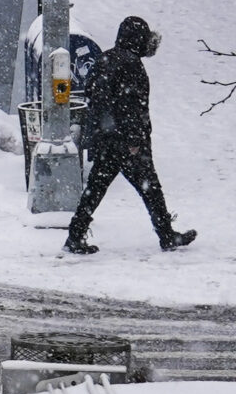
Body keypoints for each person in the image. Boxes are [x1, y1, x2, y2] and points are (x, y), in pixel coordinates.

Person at [65, 15, 195, 255]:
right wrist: (133, 140)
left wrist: (104, 133)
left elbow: (94, 98)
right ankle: (166, 235)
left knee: (96, 187)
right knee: (150, 188)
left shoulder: (105, 58)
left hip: (106, 140)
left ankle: (75, 234)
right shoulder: (131, 65)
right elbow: (131, 108)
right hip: (127, 143)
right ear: (138, 39)